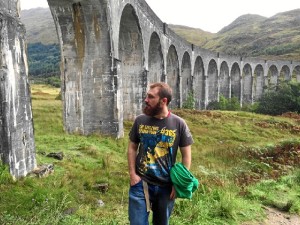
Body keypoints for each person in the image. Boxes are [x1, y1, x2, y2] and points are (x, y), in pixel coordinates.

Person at [127, 82, 193, 225]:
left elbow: (186, 156)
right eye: (146, 96)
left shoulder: (179, 124)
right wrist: (133, 174)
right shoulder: (140, 120)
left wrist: (178, 183)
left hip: (166, 188)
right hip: (141, 184)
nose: (146, 100)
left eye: (151, 97)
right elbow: (132, 147)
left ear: (163, 101)